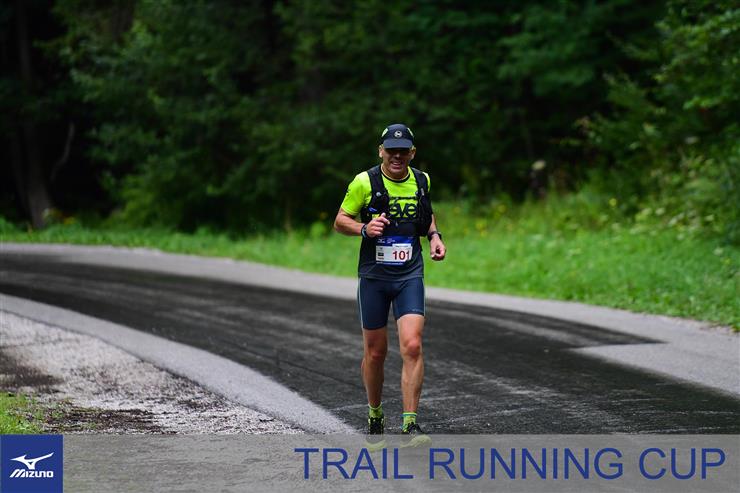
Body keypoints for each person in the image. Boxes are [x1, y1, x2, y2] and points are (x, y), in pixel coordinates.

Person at [334, 123, 446, 445]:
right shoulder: (364, 182)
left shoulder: (422, 180)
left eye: (403, 151)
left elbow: (426, 214)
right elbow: (340, 221)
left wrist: (434, 236)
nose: (397, 156)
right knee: (376, 352)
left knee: (412, 345)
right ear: (381, 151)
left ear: (412, 152)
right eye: (391, 150)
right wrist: (364, 228)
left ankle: (410, 424)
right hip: (374, 276)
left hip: (410, 273)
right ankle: (375, 413)